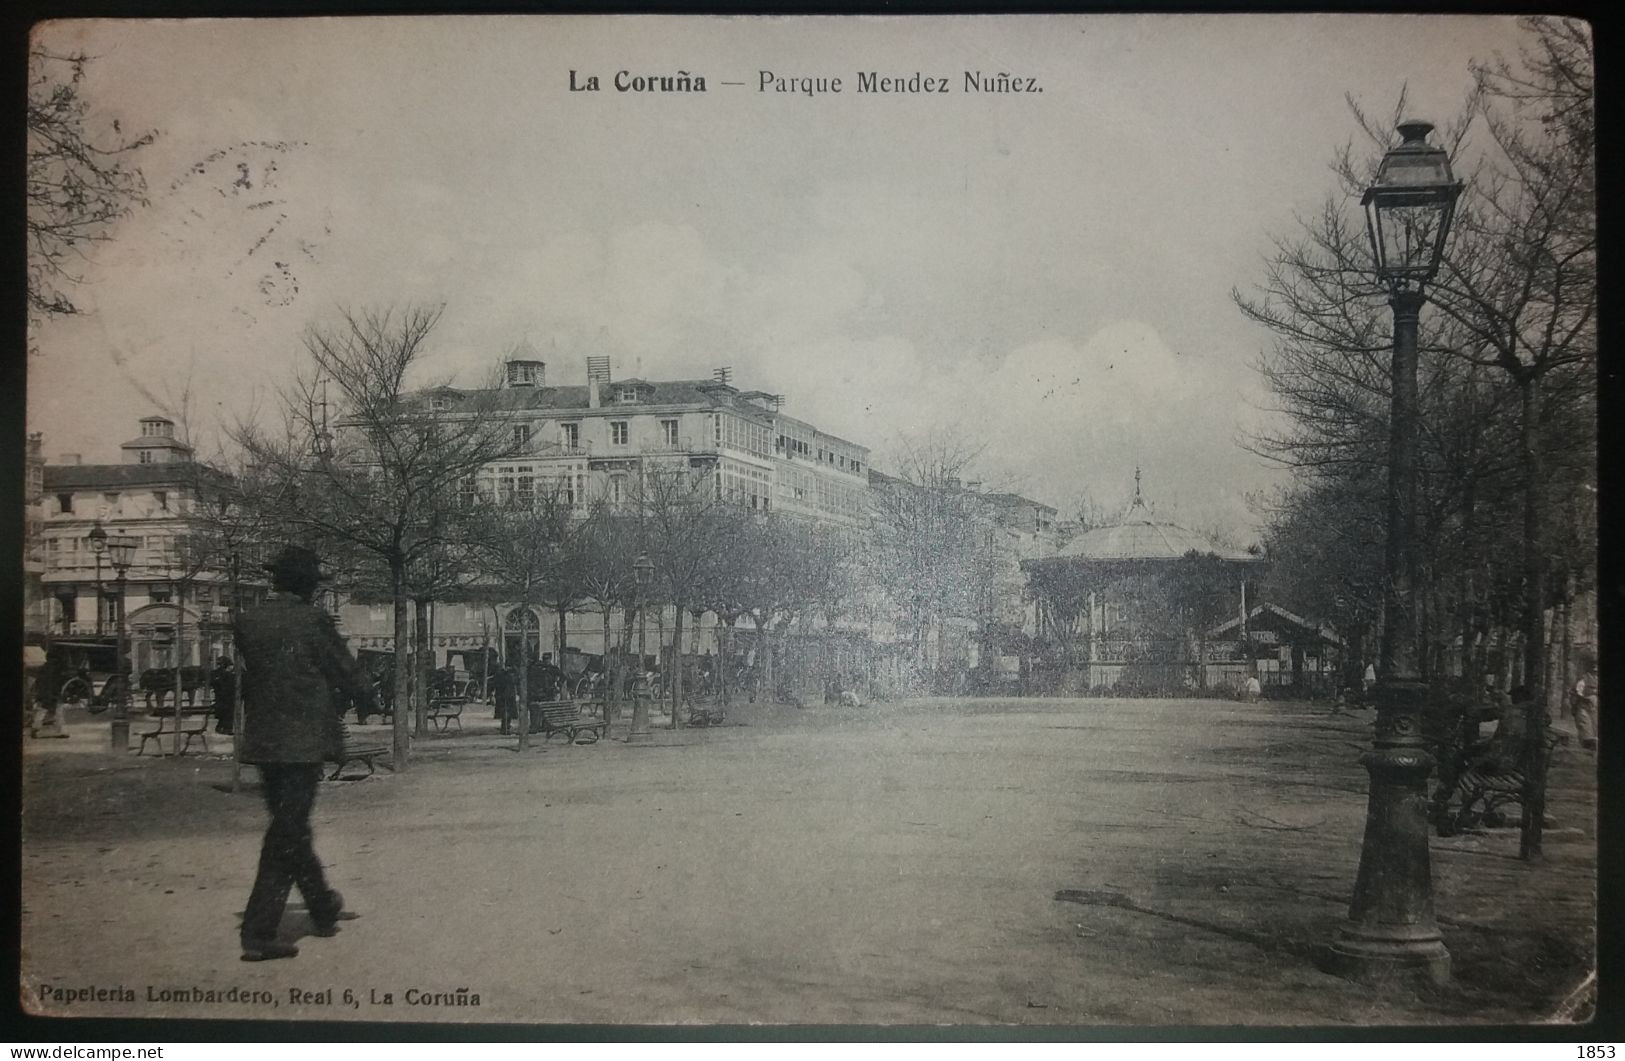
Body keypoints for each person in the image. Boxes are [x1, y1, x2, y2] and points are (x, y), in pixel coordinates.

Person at [234, 545, 377, 962]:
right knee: (286, 832)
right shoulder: (313, 619)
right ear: (309, 586)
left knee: (291, 826)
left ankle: (321, 905)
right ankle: (259, 933)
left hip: (264, 739)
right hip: (303, 740)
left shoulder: (246, 620)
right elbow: (342, 669)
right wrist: (368, 695)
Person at [1572, 660, 1598, 751]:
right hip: (1584, 706)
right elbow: (1578, 692)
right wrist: (1585, 699)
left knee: (1595, 725)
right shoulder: (1583, 679)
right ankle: (1587, 744)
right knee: (1585, 725)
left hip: (1595, 707)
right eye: (1593, 668)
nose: (1595, 670)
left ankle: (1593, 744)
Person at [210, 657, 237, 734]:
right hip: (227, 696)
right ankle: (227, 729)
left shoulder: (215, 673)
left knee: (223, 713)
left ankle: (221, 727)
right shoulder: (228, 674)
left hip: (219, 697)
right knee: (229, 712)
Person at [493, 665, 517, 735]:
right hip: (507, 696)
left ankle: (505, 727)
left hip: (504, 695)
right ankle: (505, 727)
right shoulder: (509, 674)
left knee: (505, 712)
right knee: (506, 712)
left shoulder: (500, 673)